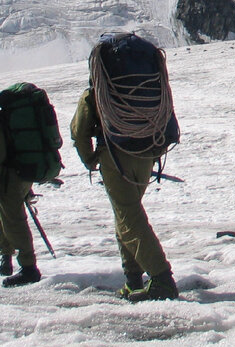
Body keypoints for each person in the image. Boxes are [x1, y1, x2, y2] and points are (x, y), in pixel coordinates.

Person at [70, 45, 178, 302]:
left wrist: (90, 160)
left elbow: (79, 131)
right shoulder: (147, 88)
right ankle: (132, 280)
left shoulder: (95, 93)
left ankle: (162, 279)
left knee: (129, 217)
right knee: (127, 215)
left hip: (115, 157)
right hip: (146, 153)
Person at [0, 88, 42, 287]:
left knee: (14, 222)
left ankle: (29, 268)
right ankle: (6, 259)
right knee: (6, 217)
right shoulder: (9, 120)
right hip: (22, 176)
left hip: (10, 180)